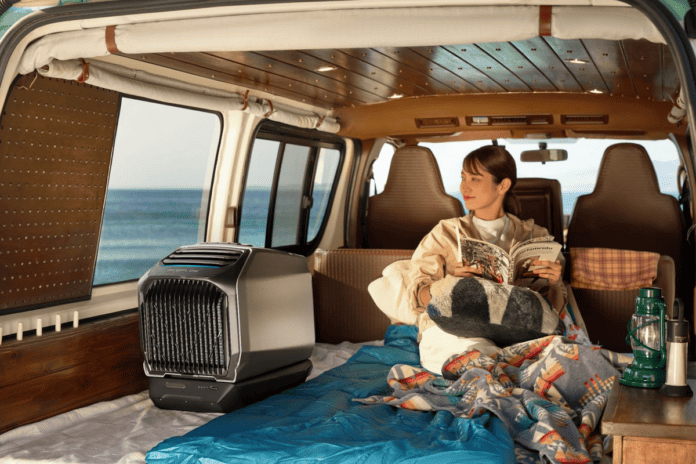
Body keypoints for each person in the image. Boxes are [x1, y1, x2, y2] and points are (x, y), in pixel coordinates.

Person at [406, 145, 567, 370]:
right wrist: (450, 282)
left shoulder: (535, 236)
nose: (464, 187)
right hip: (455, 331)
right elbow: (417, 297)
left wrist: (555, 283)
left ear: (503, 185)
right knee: (473, 352)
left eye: (475, 179)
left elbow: (551, 315)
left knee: (557, 348)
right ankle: (497, 367)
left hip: (515, 331)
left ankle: (499, 366)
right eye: (463, 178)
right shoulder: (445, 233)